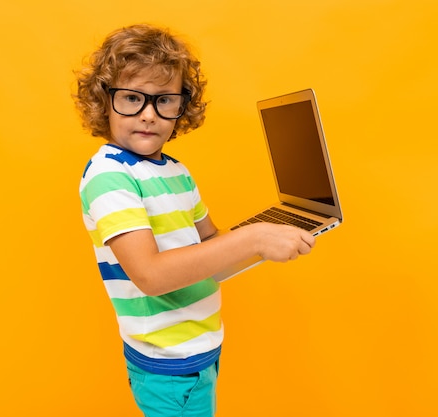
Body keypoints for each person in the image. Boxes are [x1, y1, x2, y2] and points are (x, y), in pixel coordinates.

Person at [75, 23, 315, 417]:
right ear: (104, 101)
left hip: (198, 349)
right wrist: (252, 239)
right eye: (132, 98)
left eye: (164, 101)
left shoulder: (174, 170)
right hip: (169, 364)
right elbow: (150, 275)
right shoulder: (110, 175)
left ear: (181, 106)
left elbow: (211, 245)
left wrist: (271, 235)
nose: (149, 115)